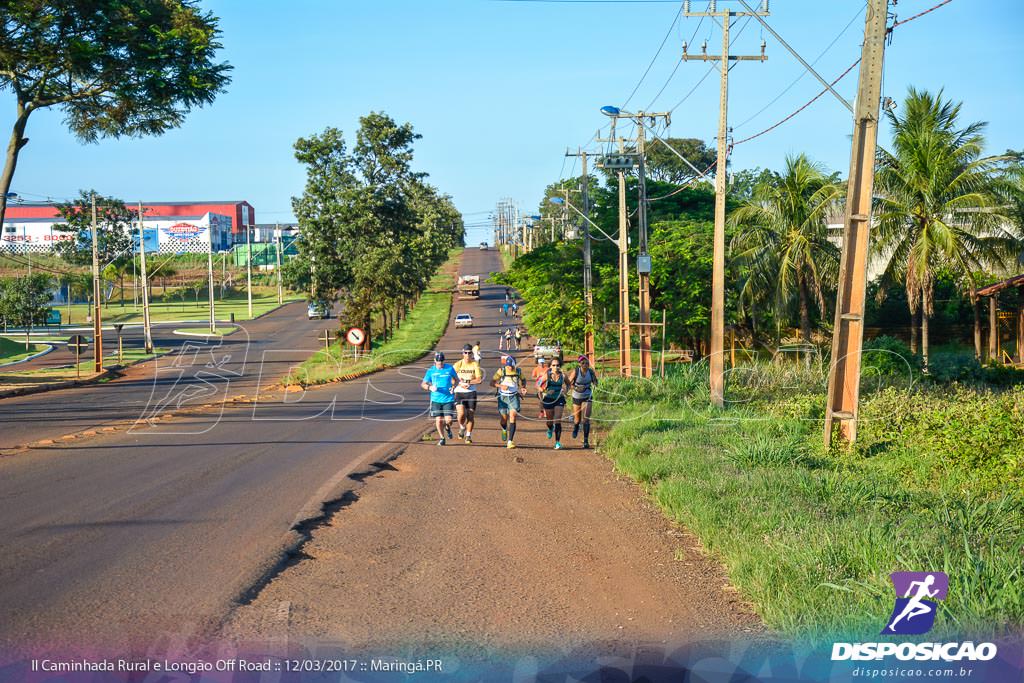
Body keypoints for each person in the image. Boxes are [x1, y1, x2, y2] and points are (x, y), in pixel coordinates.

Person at [421, 351, 458, 445]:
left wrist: (453, 387)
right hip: (436, 399)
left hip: (448, 398)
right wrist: (430, 387)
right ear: (434, 360)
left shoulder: (449, 368)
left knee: (449, 420)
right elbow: (423, 384)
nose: (440, 363)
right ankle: (442, 438)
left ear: (444, 360)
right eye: (438, 361)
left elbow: (456, 380)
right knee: (439, 419)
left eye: (441, 361)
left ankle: (447, 427)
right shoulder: (430, 371)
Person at [491, 355, 528, 449]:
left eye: (511, 366)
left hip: (514, 397)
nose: (510, 367)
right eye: (508, 366)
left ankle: (510, 441)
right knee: (503, 419)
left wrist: (523, 387)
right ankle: (504, 428)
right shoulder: (501, 371)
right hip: (502, 397)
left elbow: (523, 380)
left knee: (513, 416)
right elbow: (492, 383)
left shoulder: (518, 371)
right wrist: (500, 386)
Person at [453, 344, 484, 444]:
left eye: (469, 353)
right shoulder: (458, 364)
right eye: (465, 353)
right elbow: (451, 378)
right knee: (461, 414)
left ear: (472, 354)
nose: (467, 355)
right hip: (459, 392)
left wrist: (468, 382)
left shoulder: (475, 364)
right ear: (462, 353)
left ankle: (468, 436)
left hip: (471, 393)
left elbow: (479, 380)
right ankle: (462, 427)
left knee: (470, 416)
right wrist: (459, 384)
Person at [568, 354, 598, 449]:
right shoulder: (576, 372)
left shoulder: (590, 372)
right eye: (583, 363)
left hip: (587, 395)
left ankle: (585, 440)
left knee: (586, 419)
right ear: (579, 364)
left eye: (586, 362)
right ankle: (576, 426)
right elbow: (568, 383)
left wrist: (595, 383)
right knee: (577, 419)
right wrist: (576, 387)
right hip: (577, 395)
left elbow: (595, 382)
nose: (585, 364)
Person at [538, 358, 567, 449]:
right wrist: (543, 390)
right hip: (549, 399)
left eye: (557, 365)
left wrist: (565, 390)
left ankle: (557, 442)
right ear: (550, 366)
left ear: (560, 366)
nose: (556, 367)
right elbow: (537, 385)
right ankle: (550, 428)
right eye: (553, 365)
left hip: (559, 399)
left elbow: (569, 384)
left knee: (557, 420)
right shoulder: (547, 375)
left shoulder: (563, 375)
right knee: (550, 421)